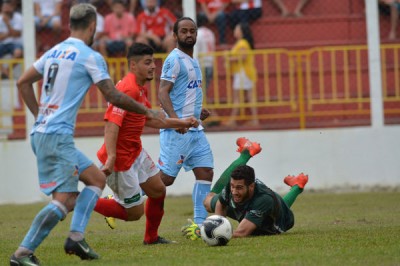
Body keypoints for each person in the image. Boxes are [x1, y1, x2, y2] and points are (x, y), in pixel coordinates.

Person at [10, 3, 165, 265]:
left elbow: (23, 82)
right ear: (93, 26)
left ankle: (76, 237)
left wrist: (39, 117)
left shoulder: (53, 51)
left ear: (70, 24)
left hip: (43, 134)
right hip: (57, 138)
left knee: (95, 179)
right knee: (65, 199)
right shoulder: (89, 56)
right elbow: (113, 95)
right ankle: (23, 253)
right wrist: (147, 112)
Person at [93, 43, 199, 245]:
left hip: (135, 152)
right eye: (147, 62)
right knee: (133, 213)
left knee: (158, 190)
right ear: (133, 65)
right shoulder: (128, 89)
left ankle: (151, 238)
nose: (153, 67)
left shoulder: (140, 89)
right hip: (121, 161)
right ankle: (80, 201)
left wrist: (181, 123)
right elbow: (112, 124)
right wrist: (112, 157)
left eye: (154, 62)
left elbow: (149, 119)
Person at [181, 137, 309, 239]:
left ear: (251, 186)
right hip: (262, 204)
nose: (234, 192)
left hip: (281, 219)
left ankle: (296, 187)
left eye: (239, 188)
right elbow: (221, 202)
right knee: (208, 201)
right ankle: (298, 184)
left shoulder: (263, 199)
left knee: (272, 207)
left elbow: (241, 233)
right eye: (232, 186)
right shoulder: (234, 188)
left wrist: (206, 232)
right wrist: (218, 224)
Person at [158, 17, 214, 227]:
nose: (189, 34)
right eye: (184, 31)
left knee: (205, 171)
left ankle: (199, 226)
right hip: (178, 131)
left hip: (194, 129)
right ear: (175, 35)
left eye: (192, 31)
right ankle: (121, 198)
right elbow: (163, 92)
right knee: (165, 179)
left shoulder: (193, 60)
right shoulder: (174, 59)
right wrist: (176, 121)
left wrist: (198, 111)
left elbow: (186, 92)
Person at [224, 22, 258, 127]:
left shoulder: (242, 43)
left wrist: (229, 58)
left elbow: (243, 57)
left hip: (242, 72)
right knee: (249, 96)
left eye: (237, 29)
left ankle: (233, 120)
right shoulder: (242, 43)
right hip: (244, 72)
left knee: (238, 97)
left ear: (241, 31)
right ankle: (254, 120)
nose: (235, 31)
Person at [0, 0, 22, 79]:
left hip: (15, 43)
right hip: (2, 44)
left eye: (8, 8)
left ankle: (6, 71)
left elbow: (17, 35)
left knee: (18, 53)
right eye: (4, 9)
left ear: (12, 8)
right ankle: (5, 73)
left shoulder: (18, 17)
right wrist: (11, 33)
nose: (6, 10)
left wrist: (7, 23)